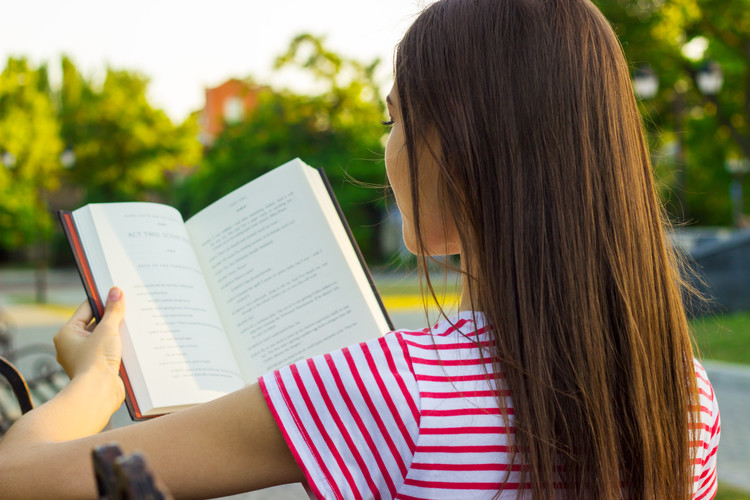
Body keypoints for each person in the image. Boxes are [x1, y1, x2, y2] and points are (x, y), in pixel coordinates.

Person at [0, 0, 720, 498]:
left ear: (458, 151)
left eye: (393, 119)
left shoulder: (392, 391)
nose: (388, 149)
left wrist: (98, 382)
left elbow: (19, 476)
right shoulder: (688, 396)